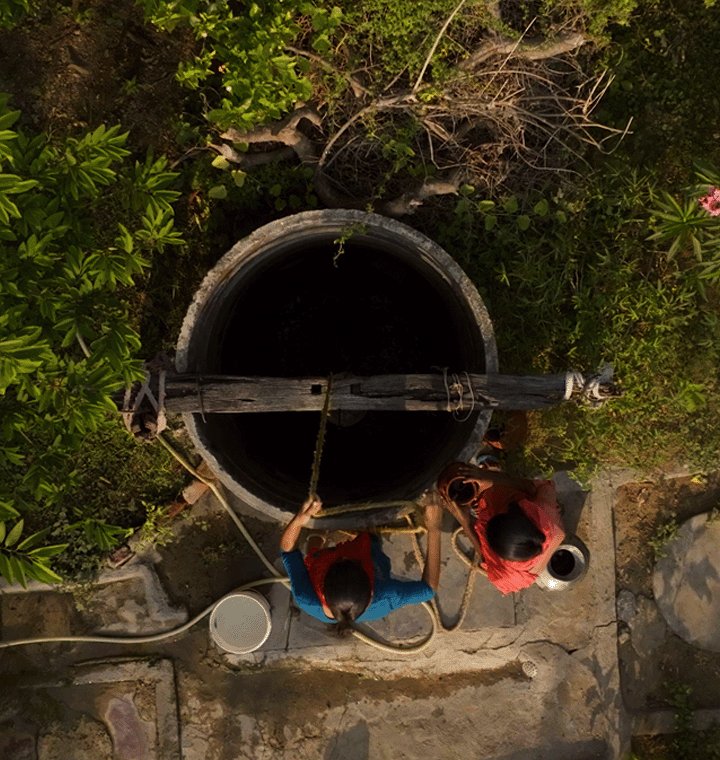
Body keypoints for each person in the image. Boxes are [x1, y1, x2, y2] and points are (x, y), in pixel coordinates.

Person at [280, 494, 442, 634]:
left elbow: (287, 551)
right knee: (371, 535)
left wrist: (299, 520)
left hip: (323, 563)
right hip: (371, 555)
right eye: (350, 559)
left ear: (322, 585)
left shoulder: (307, 597)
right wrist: (434, 528)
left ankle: (317, 535)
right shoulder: (386, 597)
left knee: (313, 556)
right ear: (372, 591)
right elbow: (429, 589)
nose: (343, 553)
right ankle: (369, 534)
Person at [437, 461, 565, 595]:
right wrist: (491, 477)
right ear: (517, 511)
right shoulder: (541, 513)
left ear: (501, 556)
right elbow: (539, 486)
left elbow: (487, 559)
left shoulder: (507, 577)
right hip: (519, 499)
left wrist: (466, 523)